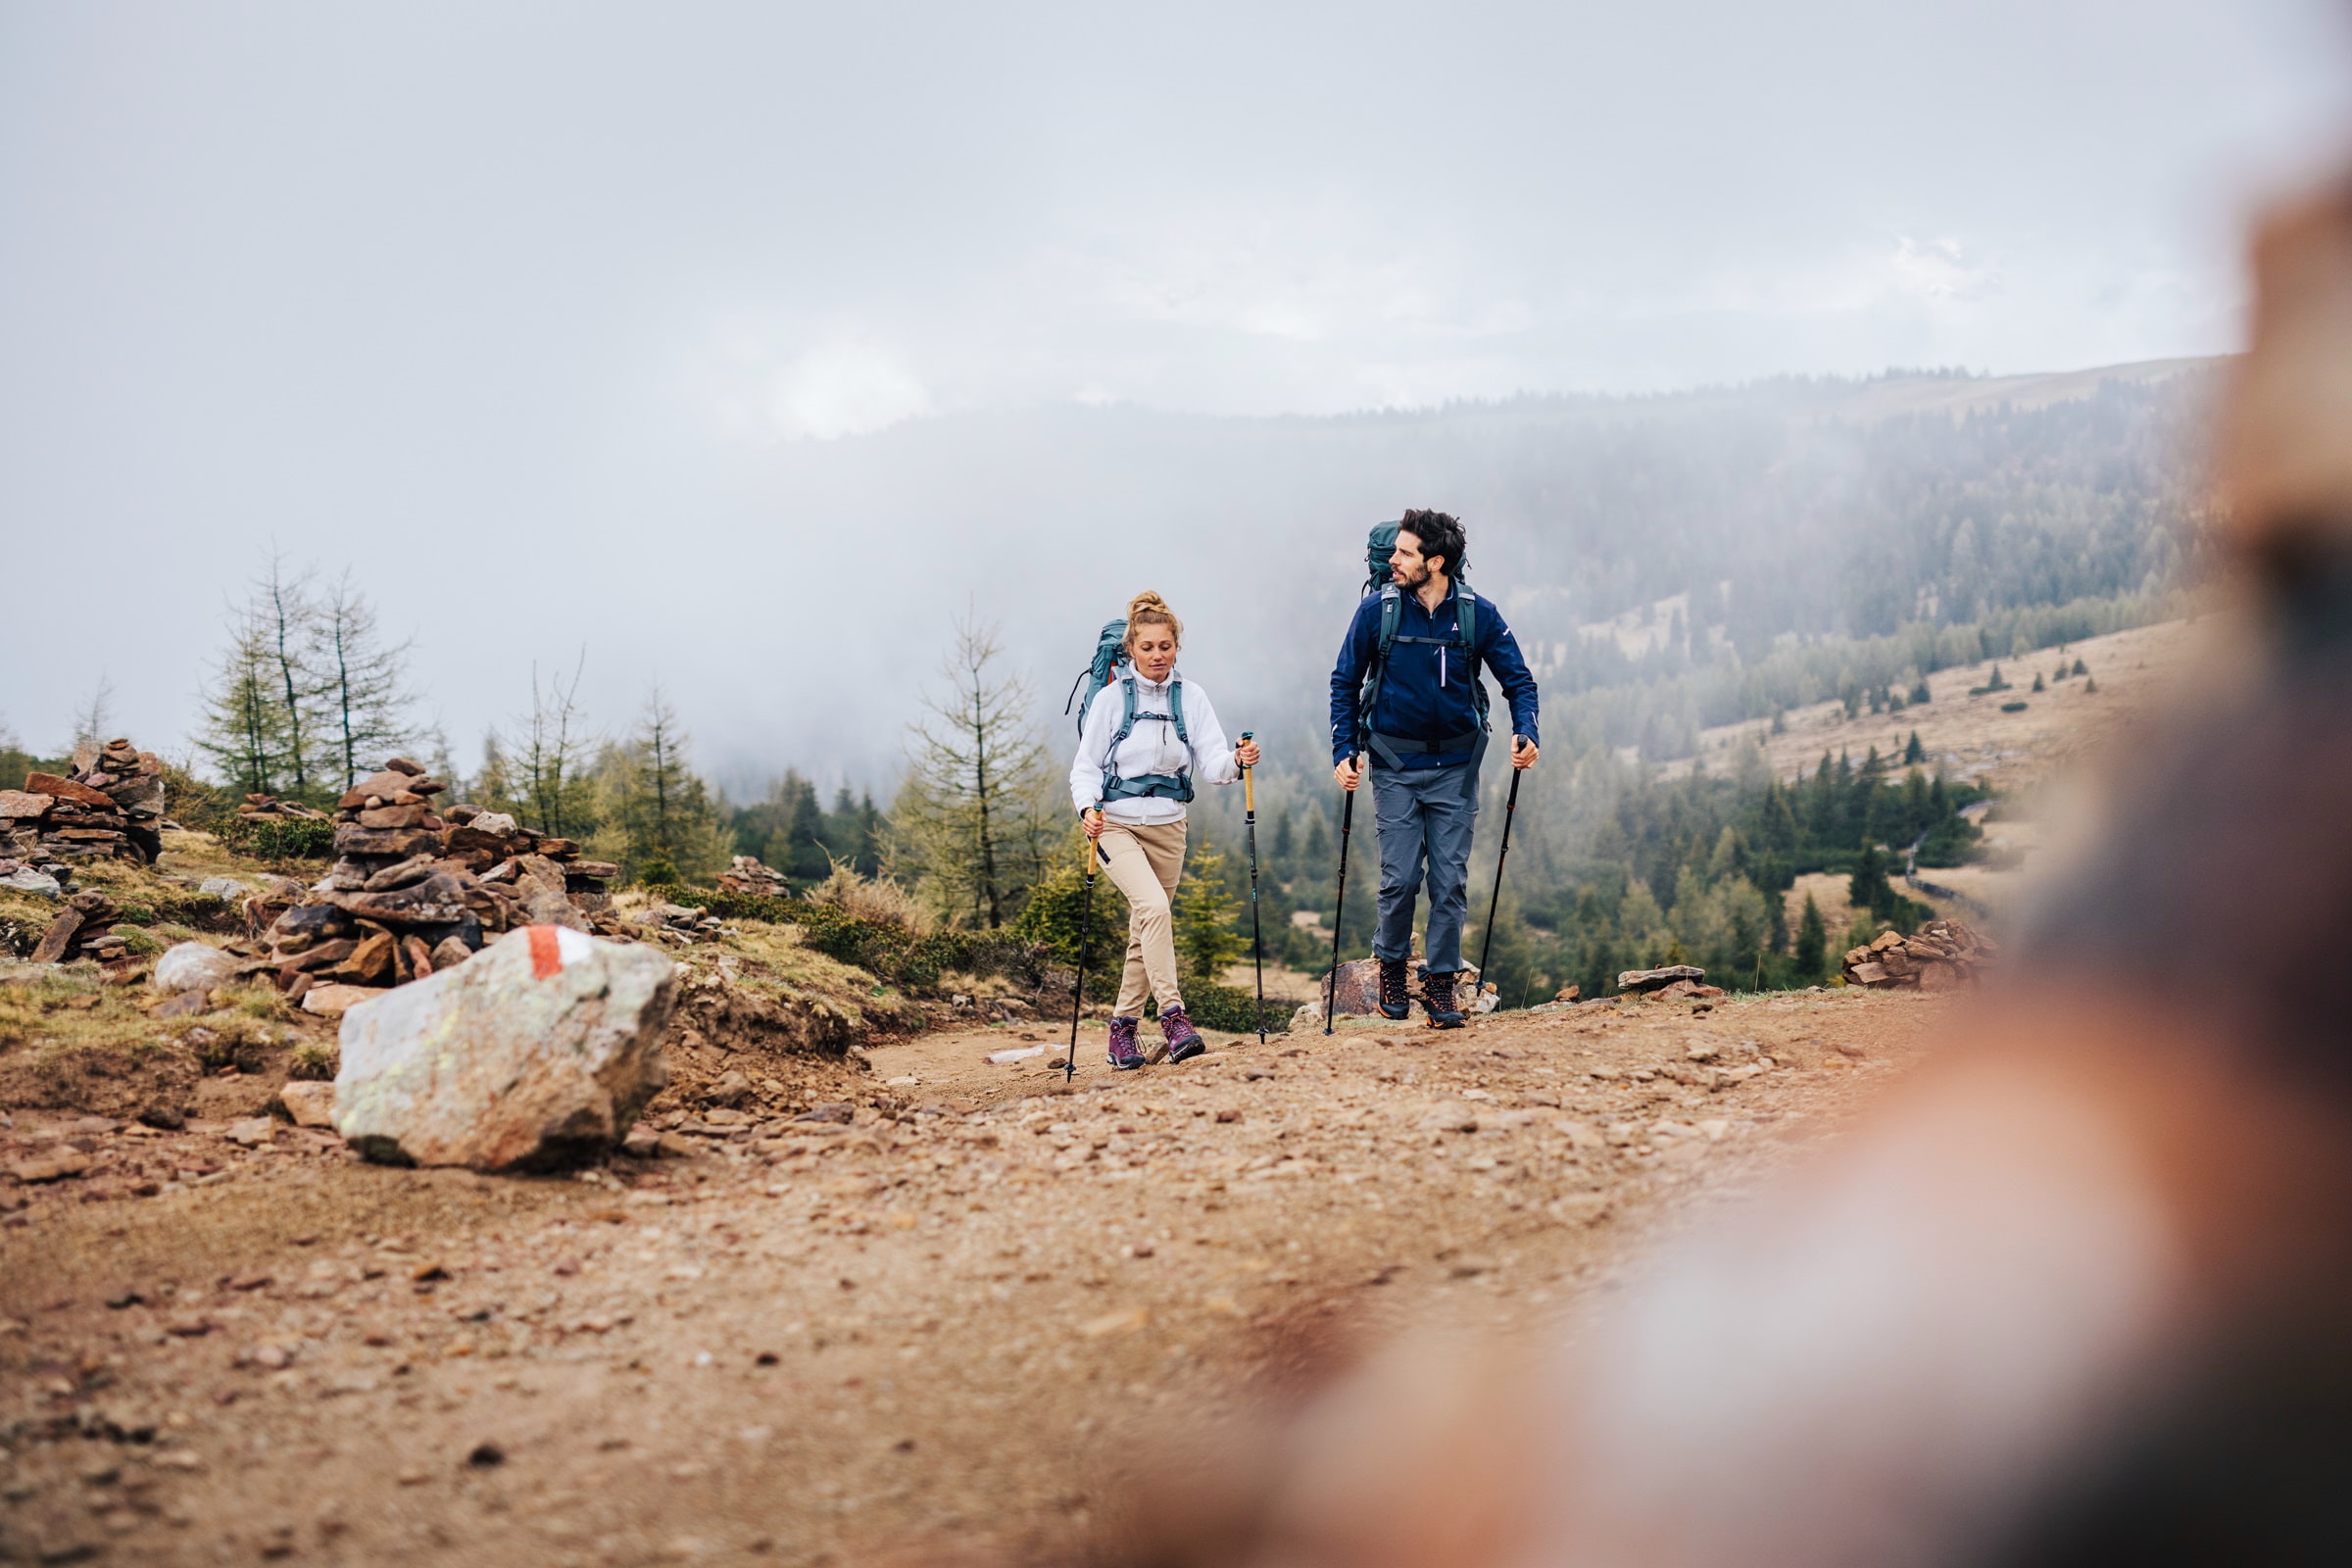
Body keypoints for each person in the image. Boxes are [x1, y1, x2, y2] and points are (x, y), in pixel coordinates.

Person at [1328, 510, 1540, 1026]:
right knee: (1400, 879)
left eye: (1404, 553)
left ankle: (1441, 984)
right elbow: (1343, 682)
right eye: (1394, 552)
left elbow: (1520, 681)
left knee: (1450, 881)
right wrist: (1344, 749)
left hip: (1457, 765)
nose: (1392, 562)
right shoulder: (1377, 611)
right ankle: (1394, 968)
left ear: (1436, 562)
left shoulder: (1477, 615)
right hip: (1395, 761)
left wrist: (1526, 730)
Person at [1070, 590, 1261, 1070]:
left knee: (1145, 927)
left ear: (1177, 647)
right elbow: (1085, 768)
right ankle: (1174, 1017)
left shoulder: (1190, 697)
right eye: (1148, 647)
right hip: (1114, 825)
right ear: (1131, 650)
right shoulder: (1112, 700)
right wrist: (1087, 809)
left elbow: (1212, 763)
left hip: (1169, 826)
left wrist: (1237, 762)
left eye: (1166, 647)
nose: (1157, 656)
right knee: (1153, 908)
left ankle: (1122, 1032)